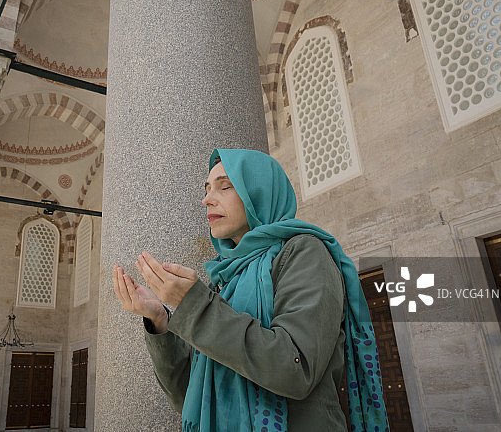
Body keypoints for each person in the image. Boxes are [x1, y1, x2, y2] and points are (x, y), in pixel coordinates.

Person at [113, 149, 390, 431]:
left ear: (258, 191)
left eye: (225, 186)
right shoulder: (225, 278)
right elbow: (191, 395)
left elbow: (296, 369)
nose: (206, 199)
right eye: (207, 189)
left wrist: (196, 305)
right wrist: (159, 319)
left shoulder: (304, 254)